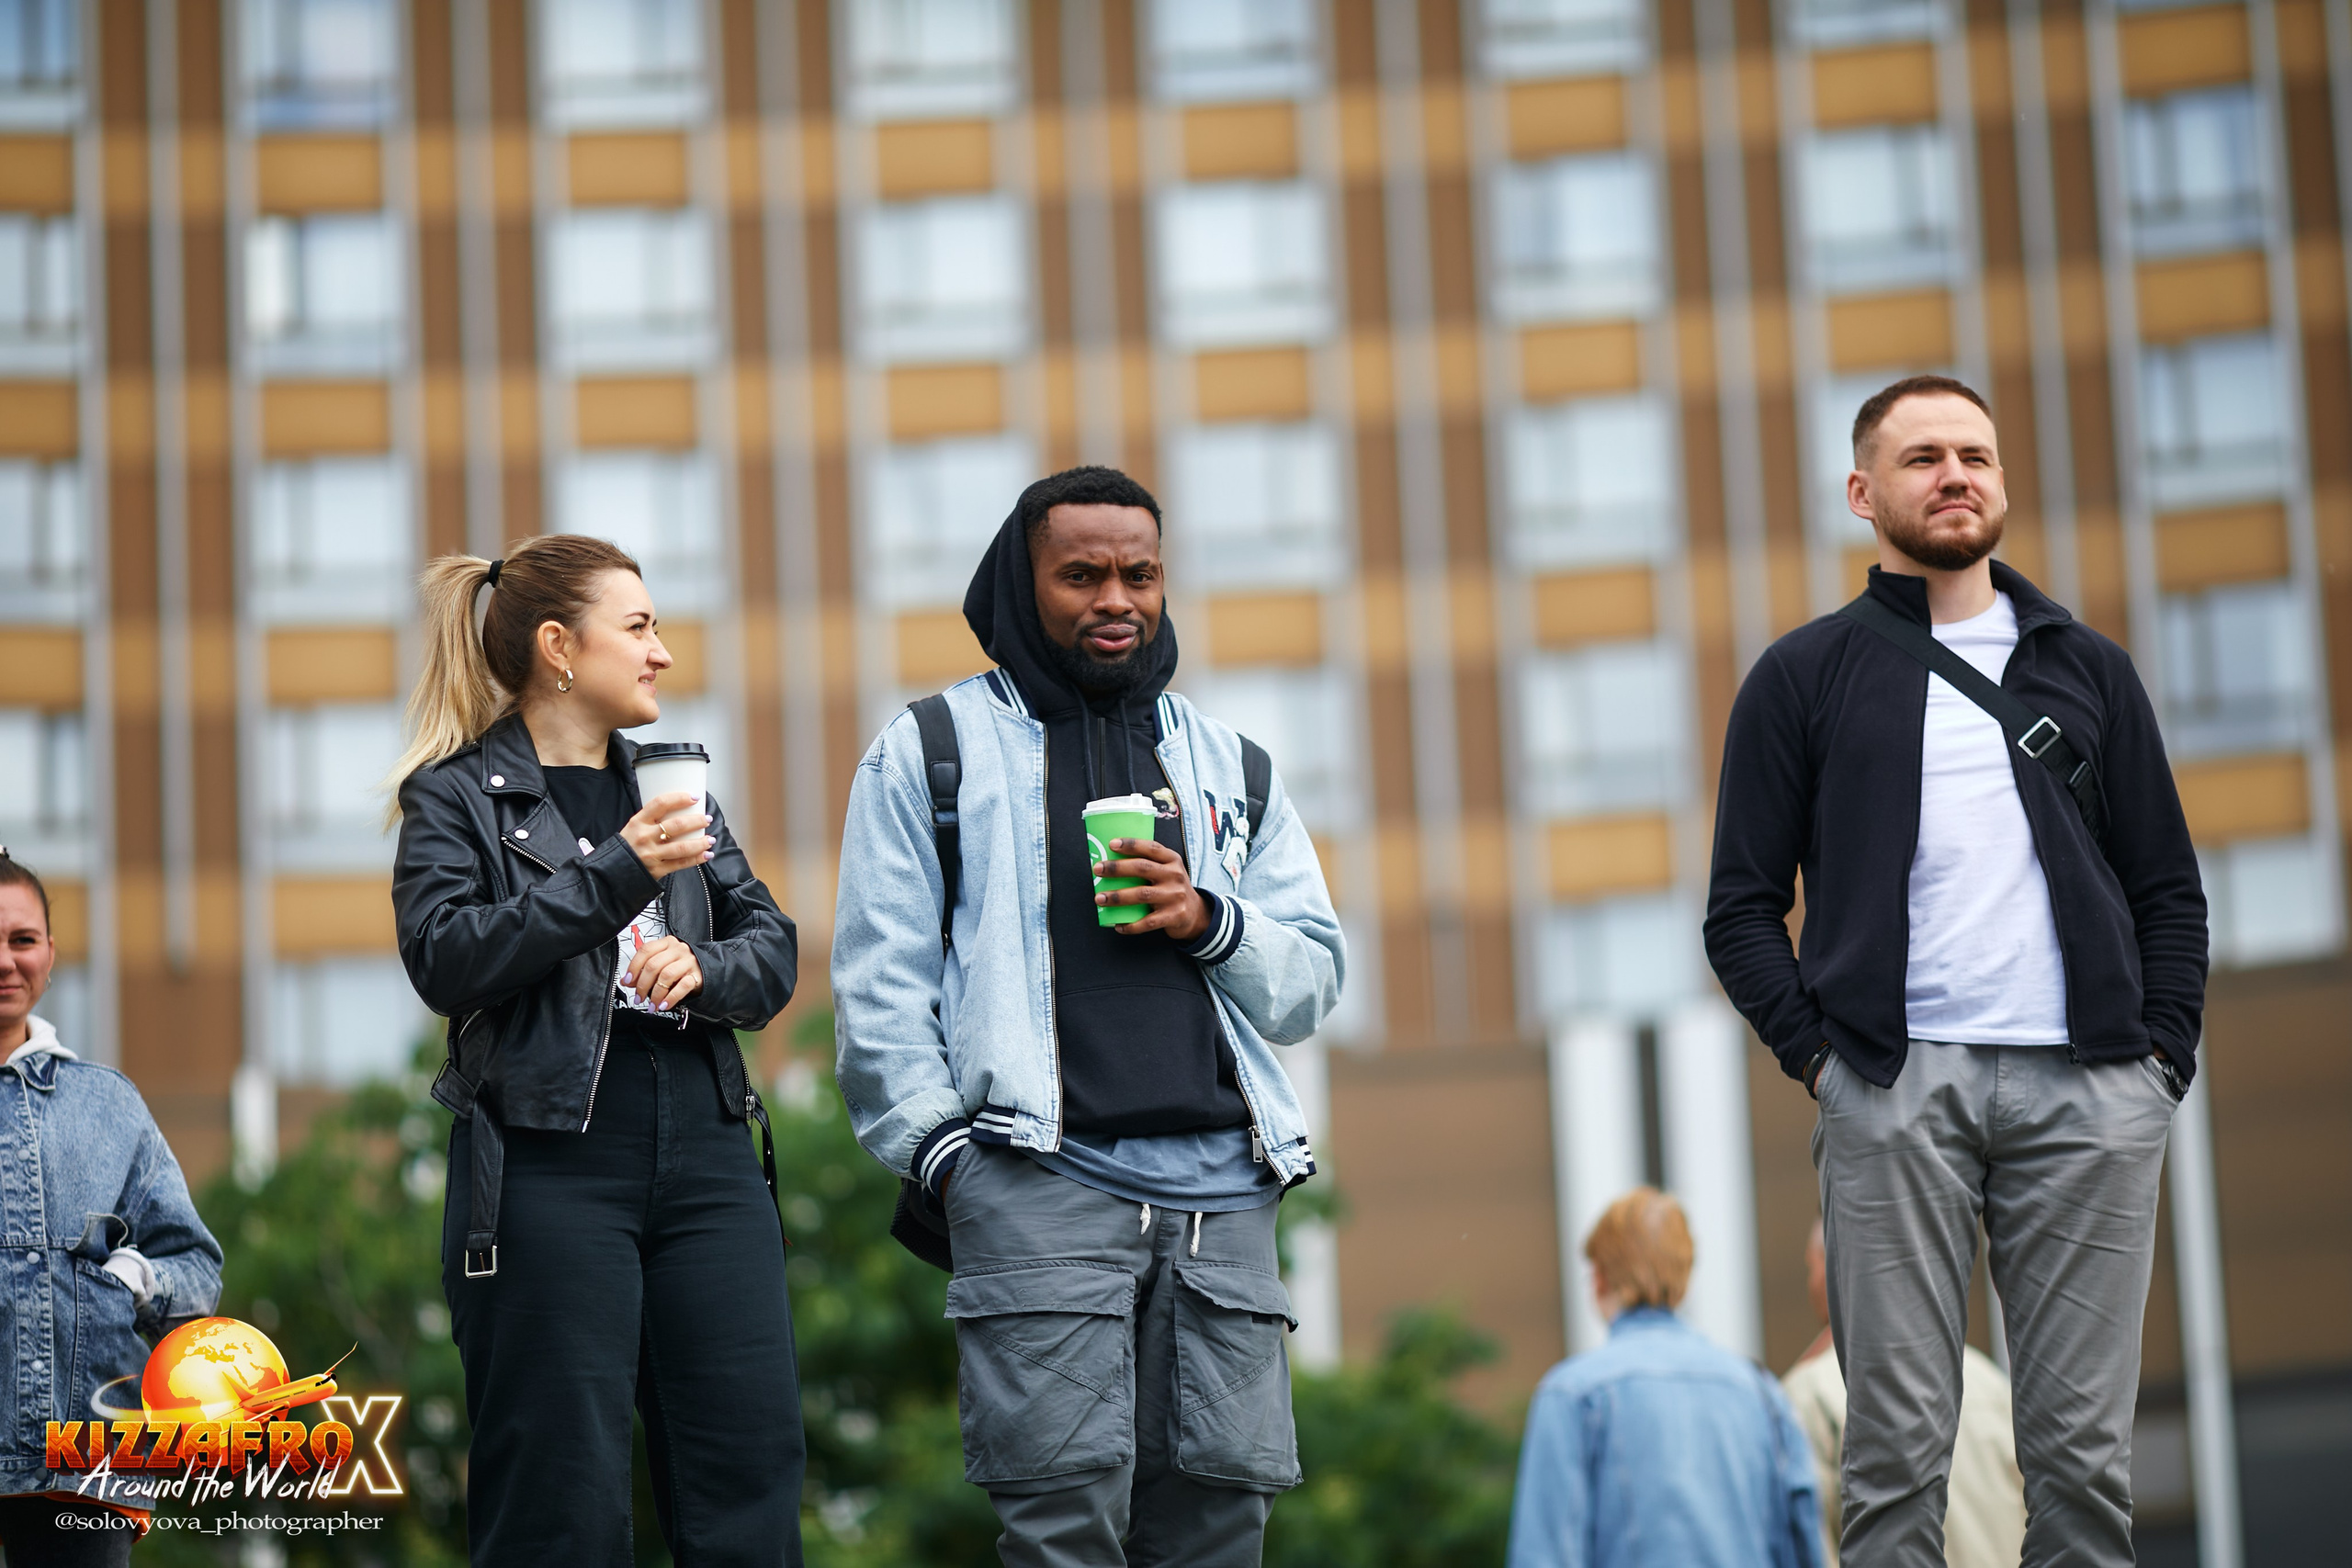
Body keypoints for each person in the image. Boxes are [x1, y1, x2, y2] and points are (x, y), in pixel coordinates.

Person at [1704, 375, 2207, 1567]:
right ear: (1864, 492)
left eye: (1975, 453)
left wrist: (2159, 1062)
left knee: (2083, 1456)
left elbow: (2168, 888)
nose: (1956, 474)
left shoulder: (2086, 665)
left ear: (2002, 480)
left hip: (2090, 1088)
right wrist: (1827, 1062)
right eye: (1923, 455)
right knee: (1894, 1453)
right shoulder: (1804, 672)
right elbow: (1738, 909)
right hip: (1894, 1085)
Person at [831, 466, 1344, 1567]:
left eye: (1140, 574)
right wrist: (953, 1164)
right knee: (1063, 1528)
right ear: (1025, 586)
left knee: (1220, 1533)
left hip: (1224, 1197)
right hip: (1040, 1182)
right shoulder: (931, 752)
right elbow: (877, 998)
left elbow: (1312, 983)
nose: (1116, 597)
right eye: (1082, 575)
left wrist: (1210, 918)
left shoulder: (1232, 765)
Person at [387, 535, 804, 1566]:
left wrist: (706, 970)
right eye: (641, 627)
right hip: (545, 1166)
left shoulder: (674, 780)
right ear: (559, 646)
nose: (661, 652)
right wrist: (615, 874)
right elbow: (445, 957)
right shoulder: (456, 796)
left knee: (749, 1480)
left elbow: (773, 946)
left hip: (709, 1157)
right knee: (557, 1504)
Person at [0, 850, 224, 1563]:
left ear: (51, 954)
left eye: (22, 940)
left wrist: (135, 1278)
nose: (5, 961)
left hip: (88, 1467)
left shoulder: (108, 1104)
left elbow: (198, 1267)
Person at [1508, 1188, 1823, 1568]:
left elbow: (1545, 1555)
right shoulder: (1761, 1392)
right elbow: (1803, 1543)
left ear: (1600, 1278)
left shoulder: (1572, 1394)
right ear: (1685, 1274)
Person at [1780, 1222, 2024, 1567]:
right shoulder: (1991, 1382)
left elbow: (1808, 1546)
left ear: (1832, 1270)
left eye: (1812, 1266)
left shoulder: (1810, 1394)